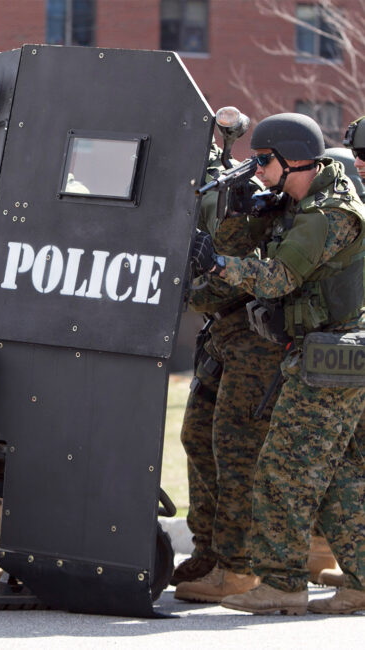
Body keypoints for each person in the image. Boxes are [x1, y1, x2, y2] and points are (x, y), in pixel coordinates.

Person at [192, 112, 365, 615]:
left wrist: (218, 262)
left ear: (293, 160)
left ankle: (283, 584)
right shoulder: (306, 200)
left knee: (282, 470)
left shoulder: (328, 214)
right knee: (339, 476)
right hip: (327, 355)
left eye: (264, 161)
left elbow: (279, 278)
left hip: (330, 357)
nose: (259, 169)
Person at [172, 144, 284, 602]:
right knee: (197, 436)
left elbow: (217, 289)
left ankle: (238, 567)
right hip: (222, 341)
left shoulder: (245, 203)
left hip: (252, 346)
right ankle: (209, 550)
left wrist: (184, 287)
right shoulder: (209, 201)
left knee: (235, 451)